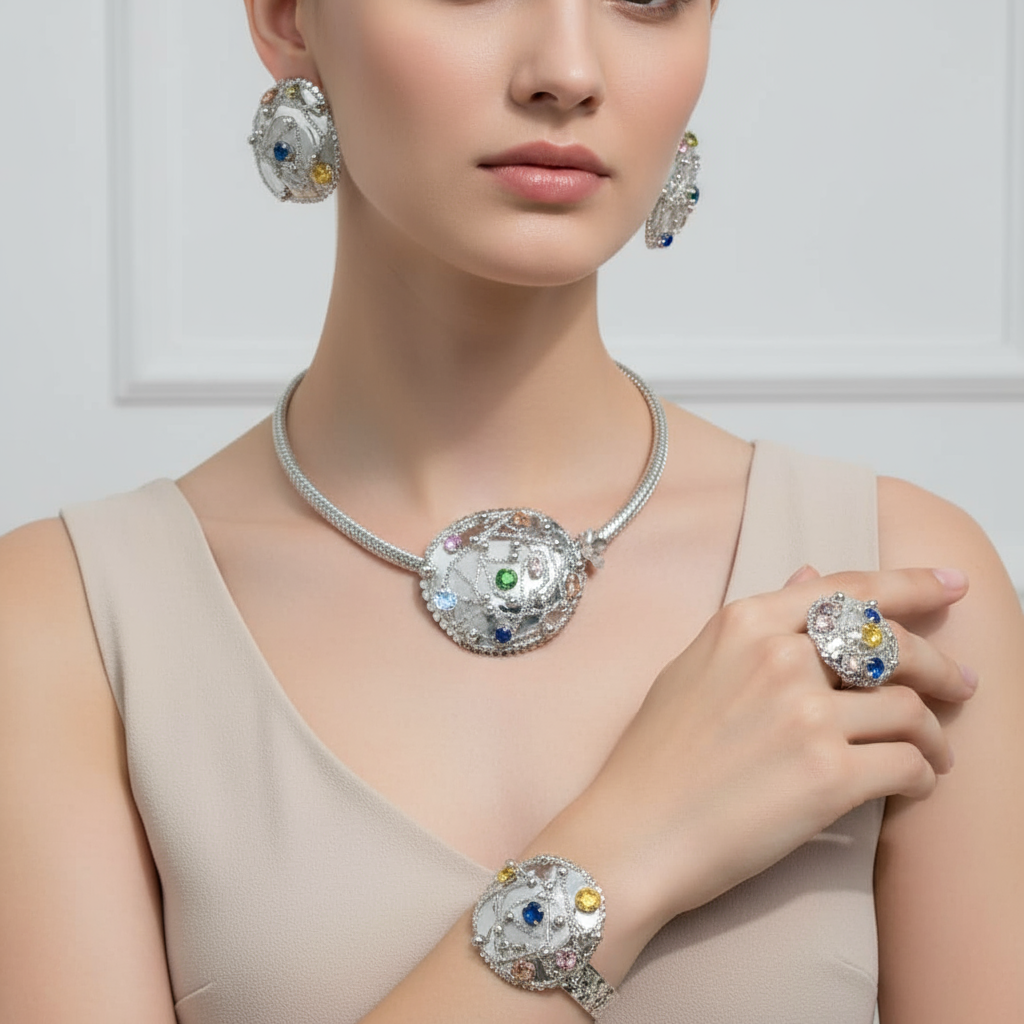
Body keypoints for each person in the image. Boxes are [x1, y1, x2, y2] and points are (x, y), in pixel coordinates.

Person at [1, 0, 1022, 1021]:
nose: (567, 70)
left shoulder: (894, 591)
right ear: (286, 18)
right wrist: (630, 847)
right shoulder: (69, 625)